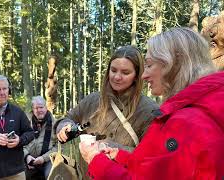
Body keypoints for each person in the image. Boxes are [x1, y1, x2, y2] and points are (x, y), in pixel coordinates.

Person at [80, 27, 224, 179]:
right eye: (113, 70)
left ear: (173, 64)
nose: (144, 75)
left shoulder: (185, 123)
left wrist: (95, 160)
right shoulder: (195, 112)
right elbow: (158, 169)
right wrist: (119, 156)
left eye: (149, 65)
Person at [57, 45, 159, 179]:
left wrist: (111, 148)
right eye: (113, 70)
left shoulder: (149, 109)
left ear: (136, 76)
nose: (117, 77)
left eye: (125, 72)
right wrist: (64, 127)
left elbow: (150, 157)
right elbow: (68, 118)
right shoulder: (93, 99)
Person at [24, 96, 58, 180]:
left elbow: (58, 147)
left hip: (48, 160)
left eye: (41, 107)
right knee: (19, 175)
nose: (39, 110)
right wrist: (27, 157)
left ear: (46, 107)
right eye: (36, 108)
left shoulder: (56, 124)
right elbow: (20, 143)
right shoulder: (25, 123)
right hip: (29, 160)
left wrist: (43, 158)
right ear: (32, 109)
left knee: (51, 175)